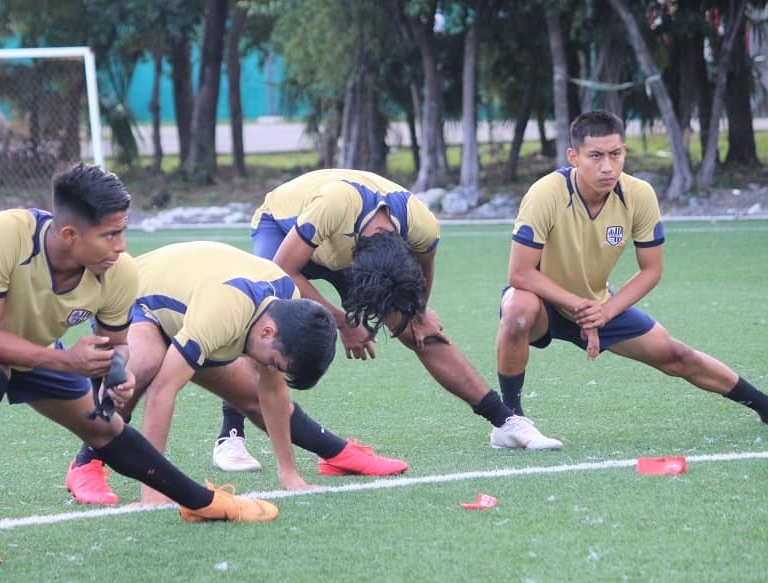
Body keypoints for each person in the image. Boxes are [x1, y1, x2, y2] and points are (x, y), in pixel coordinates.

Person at [0, 164, 278, 568]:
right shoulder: (7, 233)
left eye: (123, 231)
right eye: (110, 234)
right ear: (70, 235)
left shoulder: (119, 273)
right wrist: (67, 360)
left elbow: (117, 345)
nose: (121, 246)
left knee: (102, 427)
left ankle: (202, 503)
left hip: (33, 340)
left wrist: (115, 375)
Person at [209, 168, 561, 472]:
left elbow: (422, 272)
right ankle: (230, 435)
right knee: (267, 319)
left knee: (419, 330)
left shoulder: (422, 226)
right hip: (284, 228)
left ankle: (504, 421)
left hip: (342, 238)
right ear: (355, 261)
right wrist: (343, 322)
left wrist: (419, 312)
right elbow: (283, 269)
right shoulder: (334, 205)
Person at [64, 240, 410, 506]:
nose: (271, 368)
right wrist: (154, 489)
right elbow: (163, 392)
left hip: (191, 314)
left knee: (252, 396)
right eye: (275, 362)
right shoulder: (223, 313)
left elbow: (272, 392)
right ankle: (86, 464)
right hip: (135, 297)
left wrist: (288, 474)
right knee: (144, 366)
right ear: (268, 333)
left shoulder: (283, 302)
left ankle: (336, 454)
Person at [495, 109, 768, 431]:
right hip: (544, 300)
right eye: (595, 156)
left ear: (624, 151)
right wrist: (582, 308)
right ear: (574, 157)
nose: (607, 166)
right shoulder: (546, 193)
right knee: (517, 310)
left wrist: (605, 312)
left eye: (615, 153)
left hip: (598, 304)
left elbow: (651, 270)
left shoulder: (639, 194)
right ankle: (509, 421)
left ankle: (763, 405)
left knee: (676, 355)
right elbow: (521, 274)